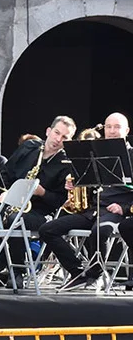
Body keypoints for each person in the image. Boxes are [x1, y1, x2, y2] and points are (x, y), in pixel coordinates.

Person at [39, 112, 133, 290]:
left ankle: (97, 275)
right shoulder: (97, 152)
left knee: (100, 231)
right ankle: (78, 272)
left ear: (127, 130)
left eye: (117, 127)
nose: (112, 131)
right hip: (94, 210)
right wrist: (76, 184)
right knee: (47, 230)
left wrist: (125, 208)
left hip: (117, 212)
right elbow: (90, 182)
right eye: (108, 127)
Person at [0, 116, 75, 288]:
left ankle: (16, 271)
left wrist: (42, 192)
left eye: (64, 137)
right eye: (56, 133)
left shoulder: (67, 163)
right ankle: (0, 255)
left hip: (40, 213)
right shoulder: (29, 147)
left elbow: (60, 201)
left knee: (16, 220)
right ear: (48, 131)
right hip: (11, 204)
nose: (58, 139)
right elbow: (6, 174)